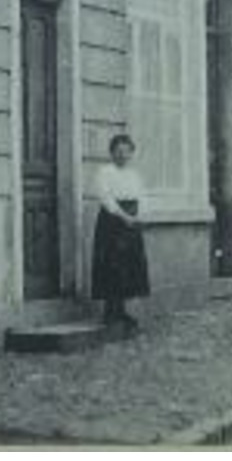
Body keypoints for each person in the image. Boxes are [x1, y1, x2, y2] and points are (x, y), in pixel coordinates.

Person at [92, 133, 149, 333]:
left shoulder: (134, 175)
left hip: (132, 222)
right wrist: (123, 216)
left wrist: (138, 216)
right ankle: (110, 311)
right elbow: (105, 197)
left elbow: (141, 197)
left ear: (131, 153)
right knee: (111, 264)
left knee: (128, 265)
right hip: (112, 222)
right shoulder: (105, 172)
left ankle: (122, 310)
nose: (122, 155)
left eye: (126, 151)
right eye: (118, 151)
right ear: (112, 153)